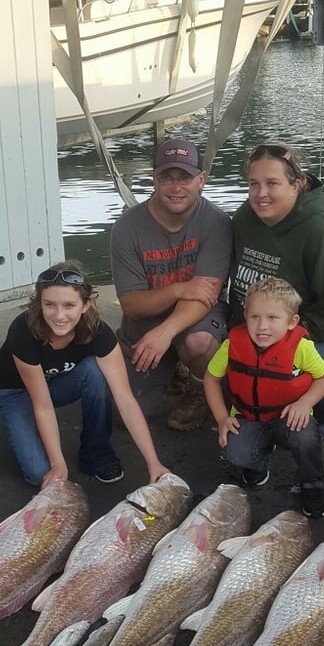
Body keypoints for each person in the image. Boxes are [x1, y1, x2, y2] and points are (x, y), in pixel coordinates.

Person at [0, 262, 170, 488]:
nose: (59, 315)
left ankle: (96, 453)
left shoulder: (99, 334)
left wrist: (153, 463)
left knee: (95, 371)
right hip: (17, 391)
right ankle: (27, 430)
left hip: (59, 382)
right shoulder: (23, 331)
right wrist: (58, 464)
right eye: (50, 305)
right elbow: (43, 404)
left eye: (69, 305)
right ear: (39, 304)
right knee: (39, 474)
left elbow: (125, 399)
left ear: (86, 305)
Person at [229, 143, 324, 398]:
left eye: (272, 183)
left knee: (298, 368)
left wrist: (281, 340)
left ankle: (317, 426)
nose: (260, 193)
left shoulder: (322, 233)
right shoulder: (244, 219)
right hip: (265, 323)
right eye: (254, 184)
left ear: (295, 185)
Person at [110, 137, 233, 431]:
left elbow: (207, 294)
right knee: (133, 413)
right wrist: (179, 289)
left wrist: (165, 332)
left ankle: (200, 386)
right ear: (154, 179)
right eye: (166, 177)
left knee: (198, 342)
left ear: (201, 179)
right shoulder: (126, 227)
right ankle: (172, 368)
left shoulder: (216, 222)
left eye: (185, 177)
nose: (176, 187)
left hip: (196, 321)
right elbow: (132, 305)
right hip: (143, 326)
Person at [204, 276, 324, 518]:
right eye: (255, 317)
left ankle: (313, 483)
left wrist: (305, 403)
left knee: (305, 437)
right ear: (245, 316)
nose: (262, 326)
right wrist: (222, 417)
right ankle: (258, 463)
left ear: (292, 321)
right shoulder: (233, 344)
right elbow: (211, 378)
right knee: (234, 450)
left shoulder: (302, 348)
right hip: (249, 417)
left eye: (273, 318)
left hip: (289, 418)